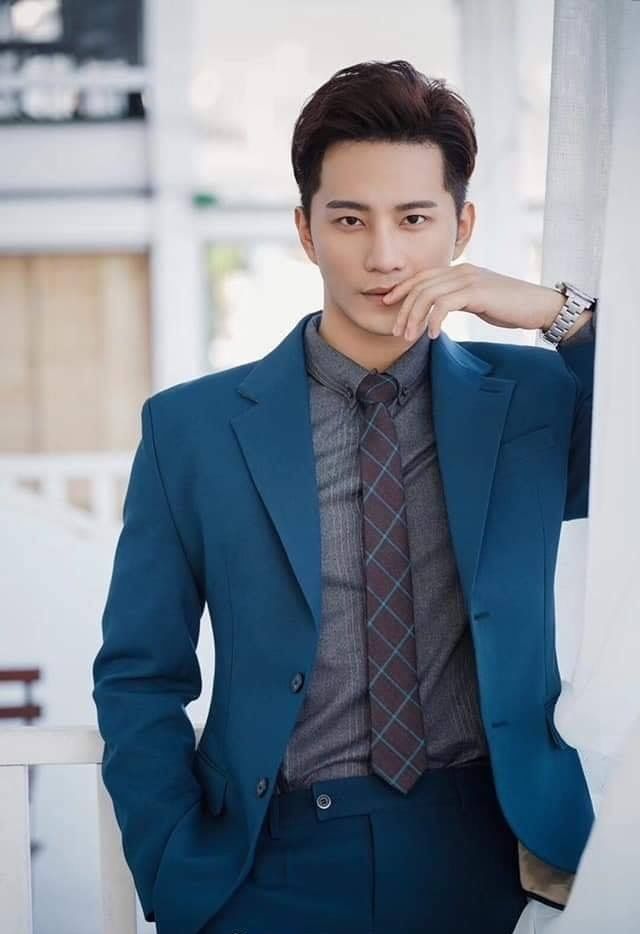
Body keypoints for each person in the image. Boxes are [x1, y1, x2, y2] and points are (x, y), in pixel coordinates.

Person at [92, 59, 598, 934]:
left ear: (461, 226)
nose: (384, 256)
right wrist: (173, 859)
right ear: (305, 229)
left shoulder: (533, 404)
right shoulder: (194, 431)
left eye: (415, 219)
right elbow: (140, 672)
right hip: (269, 866)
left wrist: (561, 314)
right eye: (349, 220)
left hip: (489, 857)